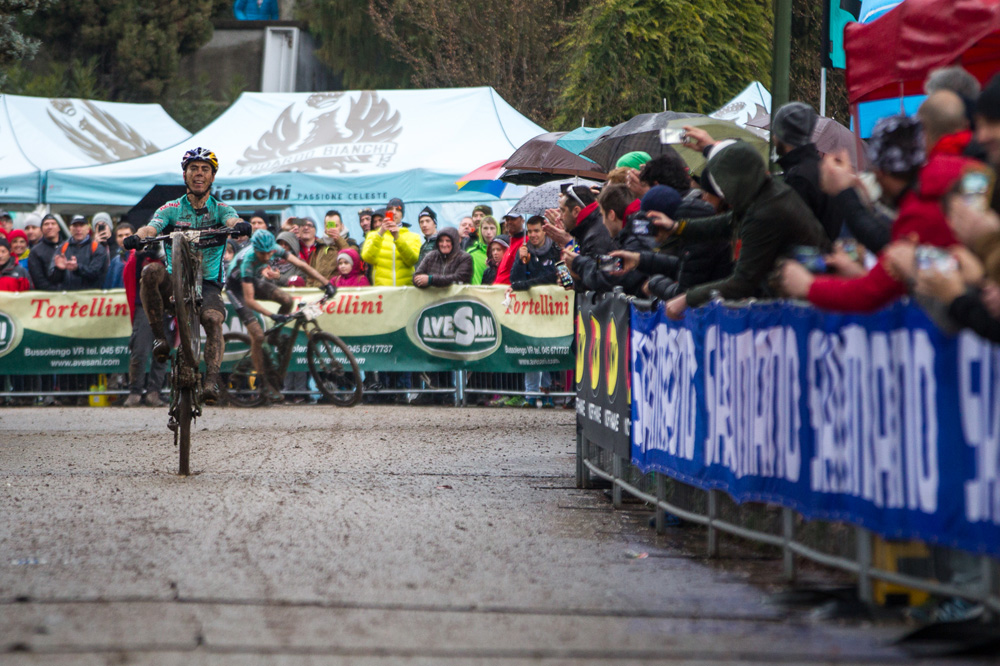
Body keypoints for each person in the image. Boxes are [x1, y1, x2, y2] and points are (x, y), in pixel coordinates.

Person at [779, 108, 974, 313]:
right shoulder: (946, 185)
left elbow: (869, 293)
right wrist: (857, 272)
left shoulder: (918, 213)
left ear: (880, 171)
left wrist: (807, 285)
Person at [121, 147, 253, 404]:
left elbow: (232, 220)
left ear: (212, 177)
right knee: (150, 272)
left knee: (213, 320)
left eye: (205, 169)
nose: (199, 173)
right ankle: (160, 338)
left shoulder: (220, 209)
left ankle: (212, 381)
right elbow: (152, 227)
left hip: (209, 283)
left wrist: (240, 226)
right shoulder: (170, 208)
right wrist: (139, 236)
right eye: (193, 168)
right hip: (175, 279)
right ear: (185, 175)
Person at [662, 139, 830, 319]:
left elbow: (742, 282)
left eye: (722, 183)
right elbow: (726, 223)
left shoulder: (765, 212)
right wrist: (676, 227)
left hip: (805, 309)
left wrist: (687, 298)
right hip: (800, 302)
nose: (722, 193)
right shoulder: (766, 192)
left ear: (735, 182)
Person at [227, 229, 336, 402]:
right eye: (263, 254)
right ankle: (263, 383)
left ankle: (273, 339)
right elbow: (249, 300)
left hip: (252, 280)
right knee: (256, 334)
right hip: (236, 288)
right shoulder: (247, 261)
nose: (268, 256)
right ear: (256, 250)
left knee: (286, 300)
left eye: (270, 252)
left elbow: (301, 265)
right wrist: (272, 315)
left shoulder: (273, 248)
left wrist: (326, 283)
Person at [565, 183, 655, 295]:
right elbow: (610, 265)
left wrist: (578, 263)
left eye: (602, 215)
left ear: (611, 215)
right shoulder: (630, 237)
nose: (602, 222)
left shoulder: (636, 240)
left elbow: (609, 274)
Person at [771, 102, 841, 241]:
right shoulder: (818, 168)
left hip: (808, 260)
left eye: (775, 132)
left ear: (784, 135)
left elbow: (793, 230)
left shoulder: (799, 178)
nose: (773, 137)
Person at [121, 241, 168, 407]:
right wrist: (140, 253)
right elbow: (129, 272)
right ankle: (135, 392)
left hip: (167, 306)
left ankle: (154, 393)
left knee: (163, 353)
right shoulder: (139, 255)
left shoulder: (169, 251)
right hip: (144, 306)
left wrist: (162, 255)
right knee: (139, 350)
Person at [361, 199, 422, 286]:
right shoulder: (374, 235)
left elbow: (412, 261)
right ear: (386, 213)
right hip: (382, 291)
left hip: (405, 290)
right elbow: (367, 257)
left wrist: (397, 237)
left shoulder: (413, 237)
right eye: (390, 209)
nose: (394, 212)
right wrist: (381, 233)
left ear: (402, 214)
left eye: (398, 210)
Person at [48, 214, 110, 290]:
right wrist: (59, 270)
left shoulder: (97, 248)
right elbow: (52, 279)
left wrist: (77, 268)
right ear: (70, 229)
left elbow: (97, 274)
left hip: (89, 298)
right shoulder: (62, 247)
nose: (78, 229)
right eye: (75, 226)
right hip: (67, 298)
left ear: (88, 229)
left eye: (81, 225)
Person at [27, 214, 62, 291]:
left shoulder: (67, 247)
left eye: (53, 223)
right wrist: (57, 292)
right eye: (46, 224)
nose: (50, 227)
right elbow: (38, 279)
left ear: (58, 228)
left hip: (70, 296)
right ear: (41, 229)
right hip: (47, 297)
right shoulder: (35, 251)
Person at [494, 213, 527, 285]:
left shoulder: (525, 242)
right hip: (500, 290)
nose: (509, 222)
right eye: (507, 219)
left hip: (511, 291)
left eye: (513, 219)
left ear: (522, 221)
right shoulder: (511, 242)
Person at [103, 222, 134, 289]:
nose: (124, 238)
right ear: (116, 239)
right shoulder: (115, 261)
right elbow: (108, 285)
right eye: (120, 236)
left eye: (127, 235)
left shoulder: (140, 256)